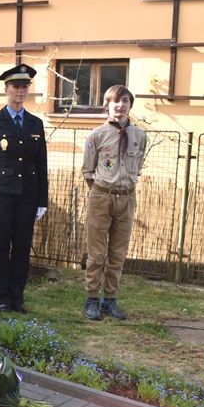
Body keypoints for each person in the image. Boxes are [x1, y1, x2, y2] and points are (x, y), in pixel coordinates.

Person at [0, 63, 48, 313]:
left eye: (25, 86)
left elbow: (41, 165)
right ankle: (2, 298)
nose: (21, 91)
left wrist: (43, 200)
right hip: (1, 194)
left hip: (27, 195)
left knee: (21, 246)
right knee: (0, 247)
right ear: (6, 89)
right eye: (16, 86)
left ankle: (17, 296)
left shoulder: (35, 124)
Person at [81, 85, 147, 320]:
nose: (120, 105)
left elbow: (138, 166)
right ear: (108, 105)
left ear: (130, 105)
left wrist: (123, 189)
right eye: (116, 101)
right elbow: (88, 171)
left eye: (125, 101)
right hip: (101, 196)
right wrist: (103, 191)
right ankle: (91, 300)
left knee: (118, 253)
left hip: (127, 197)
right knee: (97, 253)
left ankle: (110, 300)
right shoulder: (97, 135)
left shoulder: (140, 136)